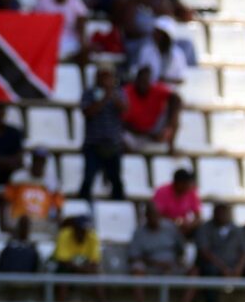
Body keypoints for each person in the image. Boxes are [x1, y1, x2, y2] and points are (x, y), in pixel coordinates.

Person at [80, 64, 126, 201]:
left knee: (116, 180)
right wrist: (105, 98)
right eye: (103, 76)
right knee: (88, 179)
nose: (106, 80)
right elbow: (88, 112)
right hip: (93, 145)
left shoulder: (118, 93)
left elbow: (124, 110)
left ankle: (118, 208)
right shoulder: (89, 93)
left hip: (113, 145)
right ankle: (83, 206)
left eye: (109, 76)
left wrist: (111, 94)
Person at [191, 203, 245, 302]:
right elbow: (204, 252)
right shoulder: (205, 228)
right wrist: (223, 268)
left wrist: (239, 269)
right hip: (213, 266)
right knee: (209, 271)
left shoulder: (238, 230)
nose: (222, 215)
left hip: (233, 266)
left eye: (225, 212)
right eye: (220, 212)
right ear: (214, 213)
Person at [128, 201, 187, 302]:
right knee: (137, 269)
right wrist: (156, 263)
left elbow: (181, 249)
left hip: (171, 265)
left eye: (156, 214)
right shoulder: (139, 232)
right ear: (146, 216)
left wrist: (176, 262)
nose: (154, 217)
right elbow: (133, 256)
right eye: (151, 214)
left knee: (194, 271)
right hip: (150, 266)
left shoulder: (171, 227)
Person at [122, 65, 181, 153]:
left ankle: (171, 146)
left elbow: (176, 99)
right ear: (136, 81)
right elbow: (123, 123)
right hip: (134, 133)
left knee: (173, 113)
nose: (143, 85)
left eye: (145, 82)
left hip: (153, 130)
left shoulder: (156, 89)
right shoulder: (126, 91)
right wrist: (147, 134)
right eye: (140, 81)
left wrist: (168, 125)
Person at [3, 148, 63, 233]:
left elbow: (58, 205)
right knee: (24, 221)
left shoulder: (52, 182)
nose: (39, 163)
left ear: (45, 162)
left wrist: (57, 218)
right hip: (19, 220)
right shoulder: (18, 177)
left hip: (43, 221)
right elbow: (7, 200)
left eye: (42, 161)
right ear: (32, 160)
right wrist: (4, 223)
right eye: (37, 160)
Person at [34, 0, 89, 66]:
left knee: (85, 50)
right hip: (49, 40)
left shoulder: (75, 2)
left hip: (71, 40)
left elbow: (82, 20)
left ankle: (82, 76)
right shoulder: (43, 2)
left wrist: (83, 40)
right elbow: (36, 23)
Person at [51, 213, 102, 302]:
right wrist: (83, 269)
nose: (84, 232)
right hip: (64, 267)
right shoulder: (64, 235)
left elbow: (94, 262)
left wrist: (85, 269)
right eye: (81, 229)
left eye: (86, 230)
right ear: (74, 228)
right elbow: (64, 261)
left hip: (83, 267)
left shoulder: (92, 236)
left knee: (96, 275)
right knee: (64, 276)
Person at [134, 14, 189, 86]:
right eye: (155, 32)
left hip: (170, 93)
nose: (155, 35)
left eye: (160, 33)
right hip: (150, 92)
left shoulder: (178, 54)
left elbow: (181, 80)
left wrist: (165, 80)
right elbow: (140, 75)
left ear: (167, 36)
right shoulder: (146, 50)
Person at [153, 167, 201, 236]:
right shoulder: (162, 192)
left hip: (184, 228)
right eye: (185, 183)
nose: (188, 186)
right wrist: (175, 222)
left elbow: (198, 217)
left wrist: (190, 225)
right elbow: (156, 216)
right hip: (165, 227)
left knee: (201, 230)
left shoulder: (191, 191)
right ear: (178, 183)